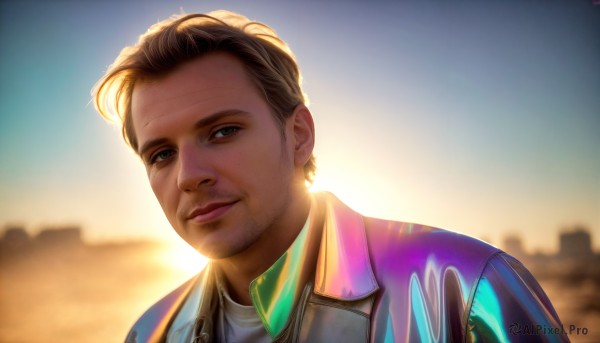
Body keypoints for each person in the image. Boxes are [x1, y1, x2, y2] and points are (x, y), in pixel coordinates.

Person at [93, 10, 567, 343]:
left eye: (222, 131)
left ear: (299, 135)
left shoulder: (463, 290)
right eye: (160, 155)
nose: (188, 175)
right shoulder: (151, 332)